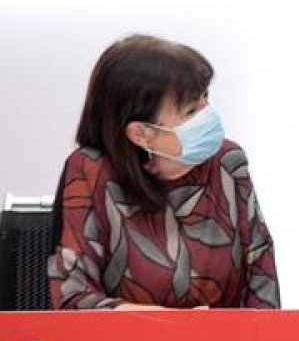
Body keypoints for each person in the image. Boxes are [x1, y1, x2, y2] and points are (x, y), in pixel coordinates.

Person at [47, 34, 279, 309]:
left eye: (205, 97)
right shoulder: (91, 171)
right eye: (191, 110)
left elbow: (262, 289)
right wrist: (174, 328)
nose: (208, 114)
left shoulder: (228, 162)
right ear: (141, 134)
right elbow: (73, 299)